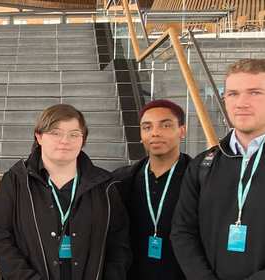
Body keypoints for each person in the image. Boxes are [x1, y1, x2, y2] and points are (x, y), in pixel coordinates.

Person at [0, 103, 131, 280]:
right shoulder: (17, 180)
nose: (65, 141)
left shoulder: (105, 185)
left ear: (83, 140)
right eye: (55, 133)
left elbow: (118, 244)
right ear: (39, 137)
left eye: (74, 134)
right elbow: (0, 236)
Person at [171, 58, 265, 280]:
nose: (241, 102)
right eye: (232, 94)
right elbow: (183, 231)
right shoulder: (204, 163)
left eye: (255, 92)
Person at [113, 99, 190, 280]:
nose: (155, 133)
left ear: (182, 131)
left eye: (165, 125)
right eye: (147, 127)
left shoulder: (199, 179)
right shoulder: (121, 181)